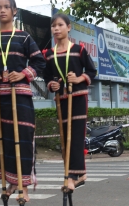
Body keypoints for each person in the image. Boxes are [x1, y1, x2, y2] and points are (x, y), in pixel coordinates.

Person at [0, 0, 46, 202]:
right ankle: (9, 181)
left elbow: (39, 62)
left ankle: (23, 186)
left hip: (20, 95)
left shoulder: (24, 38)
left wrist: (23, 74)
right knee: (1, 140)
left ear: (14, 11)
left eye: (6, 7)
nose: (2, 10)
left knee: (21, 139)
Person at [43, 13, 97, 191]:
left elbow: (91, 71)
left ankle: (74, 175)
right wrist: (52, 84)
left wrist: (79, 78)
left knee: (76, 136)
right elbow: (47, 78)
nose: (56, 29)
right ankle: (74, 174)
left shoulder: (78, 50)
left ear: (68, 27)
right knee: (65, 137)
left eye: (60, 25)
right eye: (53, 26)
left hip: (79, 98)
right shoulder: (48, 54)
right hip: (61, 100)